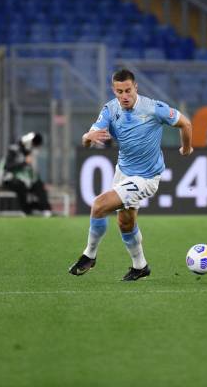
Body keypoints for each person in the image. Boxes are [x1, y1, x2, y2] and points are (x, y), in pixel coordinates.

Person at [68, 69, 193, 281]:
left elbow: (186, 123)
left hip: (146, 177)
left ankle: (89, 255)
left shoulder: (153, 108)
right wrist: (87, 136)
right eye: (119, 91)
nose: (124, 96)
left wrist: (187, 148)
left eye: (128, 90)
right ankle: (140, 266)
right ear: (113, 90)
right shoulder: (109, 109)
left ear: (135, 87)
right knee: (125, 222)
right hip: (123, 171)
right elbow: (87, 142)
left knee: (99, 205)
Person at [0, 132, 53, 216]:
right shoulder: (13, 150)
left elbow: (32, 172)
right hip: (9, 179)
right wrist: (24, 162)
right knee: (20, 185)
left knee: (39, 185)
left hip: (24, 179)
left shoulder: (29, 153)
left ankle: (46, 209)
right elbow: (8, 166)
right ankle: (26, 210)